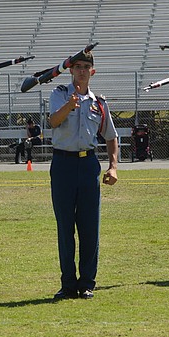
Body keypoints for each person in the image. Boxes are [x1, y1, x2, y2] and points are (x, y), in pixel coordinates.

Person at [48, 51, 119, 300]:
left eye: (86, 67)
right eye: (77, 66)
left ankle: (87, 282)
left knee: (90, 227)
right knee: (65, 227)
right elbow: (53, 121)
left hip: (88, 164)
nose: (81, 71)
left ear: (92, 71)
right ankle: (68, 284)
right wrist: (69, 106)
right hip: (63, 164)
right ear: (70, 70)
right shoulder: (59, 94)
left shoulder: (99, 103)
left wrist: (113, 166)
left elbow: (111, 136)